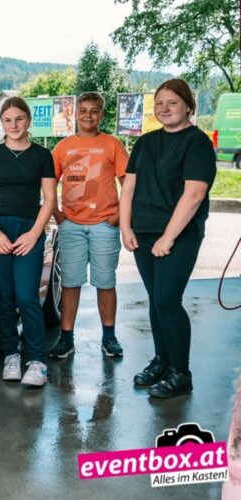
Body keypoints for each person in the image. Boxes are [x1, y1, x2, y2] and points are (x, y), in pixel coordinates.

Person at [119, 78, 216, 399]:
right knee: (155, 299)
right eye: (159, 103)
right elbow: (128, 187)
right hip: (143, 232)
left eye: (172, 102)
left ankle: (180, 372)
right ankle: (162, 361)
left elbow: (194, 194)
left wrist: (168, 237)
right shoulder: (145, 143)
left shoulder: (197, 143)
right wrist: (126, 227)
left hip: (179, 235)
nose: (164, 108)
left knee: (167, 300)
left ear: (188, 106)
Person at [0, 97, 57, 387]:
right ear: (2, 123)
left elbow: (50, 199)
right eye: (7, 120)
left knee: (26, 296)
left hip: (28, 230)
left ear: (28, 121)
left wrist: (34, 233)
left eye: (19, 119)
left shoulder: (42, 155)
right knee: (5, 297)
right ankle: (11, 354)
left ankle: (37, 361)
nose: (13, 125)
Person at [49, 92, 129, 359]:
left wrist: (117, 218)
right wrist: (58, 216)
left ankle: (109, 337)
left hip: (104, 225)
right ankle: (66, 339)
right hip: (71, 226)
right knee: (70, 284)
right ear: (75, 114)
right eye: (83, 110)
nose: (88, 115)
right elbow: (48, 186)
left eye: (94, 111)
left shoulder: (112, 145)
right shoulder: (63, 147)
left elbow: (129, 184)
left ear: (101, 115)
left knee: (105, 283)